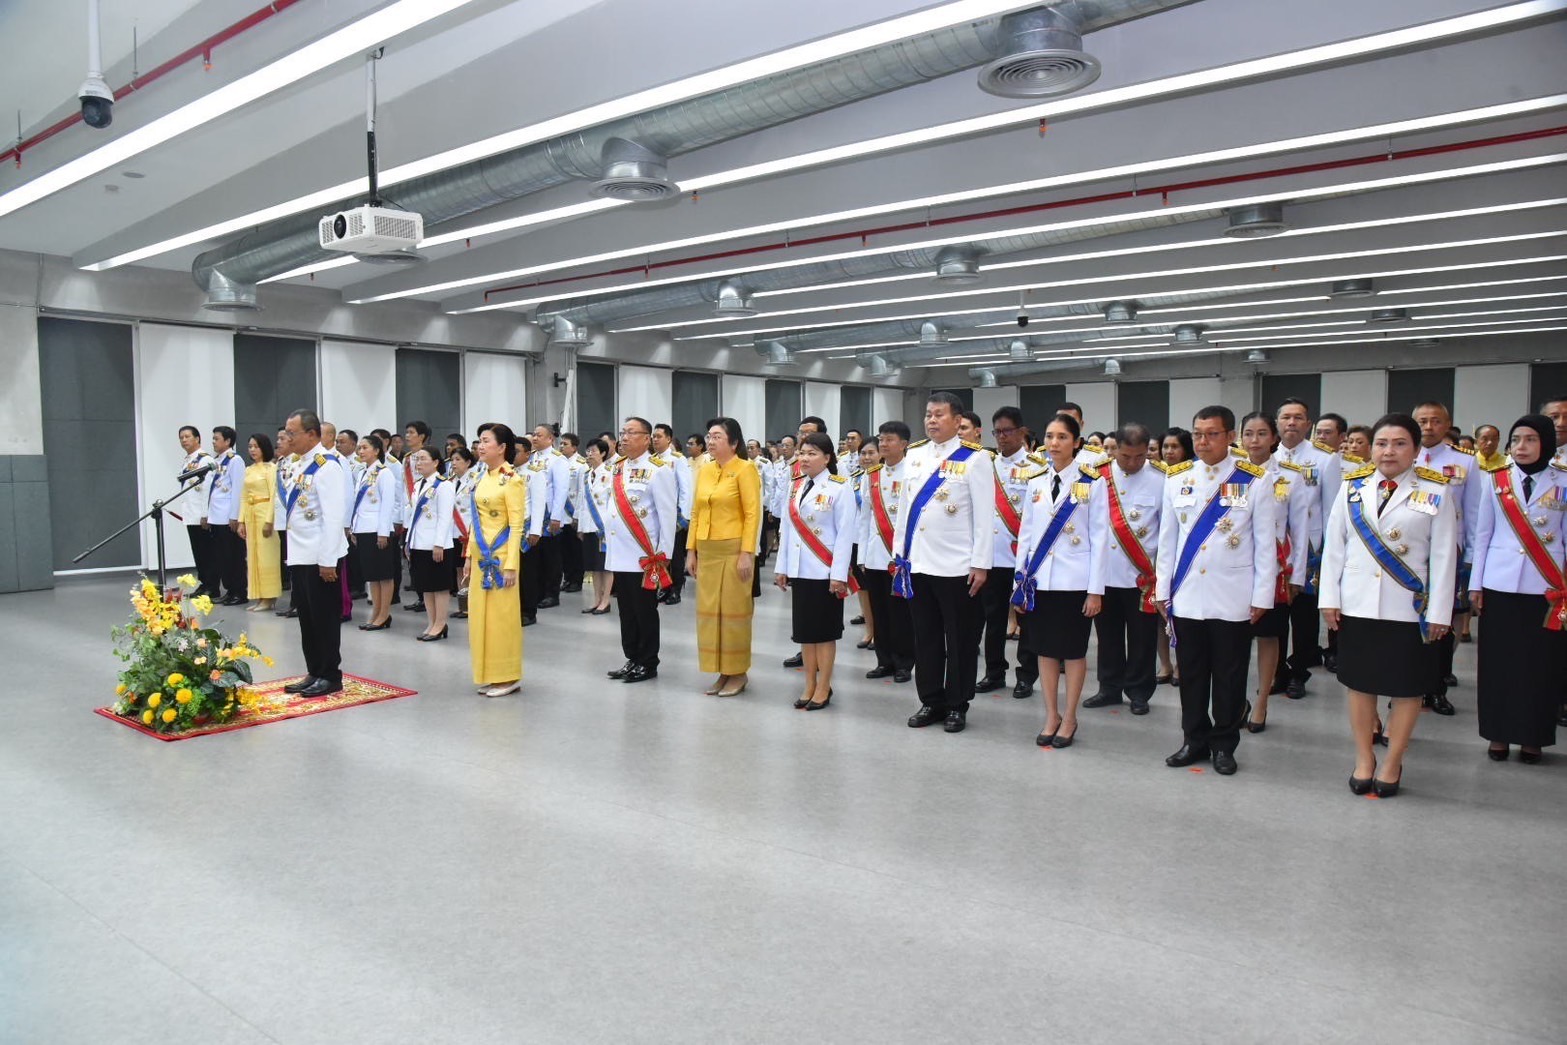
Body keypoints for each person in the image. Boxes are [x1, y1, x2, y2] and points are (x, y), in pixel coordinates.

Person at [1321, 413, 1458, 797]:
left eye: (1399, 443)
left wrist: (1439, 612)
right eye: (1382, 443)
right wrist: (1330, 599)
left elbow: (1444, 557)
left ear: (1415, 450)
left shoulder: (1436, 491)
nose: (1389, 451)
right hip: (1358, 604)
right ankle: (1364, 758)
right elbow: (1335, 547)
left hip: (1408, 608)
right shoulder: (1352, 487)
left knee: (1407, 688)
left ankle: (1393, 760)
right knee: (1360, 686)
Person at [1156, 405, 1278, 776]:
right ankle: (1193, 739)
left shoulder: (1254, 480)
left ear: (1230, 437)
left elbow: (1265, 545)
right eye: (1197, 433)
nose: (1203, 441)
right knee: (1190, 673)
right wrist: (1163, 589)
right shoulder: (1177, 479)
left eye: (1212, 434)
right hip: (1188, 594)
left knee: (1229, 674)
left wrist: (1262, 596)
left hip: (1233, 595)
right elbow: (1168, 541)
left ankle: (1224, 744)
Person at [895, 392, 996, 734]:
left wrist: (980, 564)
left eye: (939, 415)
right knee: (925, 637)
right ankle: (931, 699)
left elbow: (984, 517)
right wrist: (900, 555)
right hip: (919, 562)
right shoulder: (916, 455)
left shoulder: (976, 459)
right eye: (928, 415)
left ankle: (957, 703)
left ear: (957, 420)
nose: (932, 421)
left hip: (956, 565)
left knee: (961, 638)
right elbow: (905, 511)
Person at [1470, 415, 1567, 764]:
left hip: (1546, 587)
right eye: (1516, 440)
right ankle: (1497, 733)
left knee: (1540, 665)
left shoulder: (1564, 480)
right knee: (1497, 663)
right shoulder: (1496, 480)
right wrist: (1475, 584)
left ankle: (1533, 738)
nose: (1521, 447)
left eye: (1530, 439)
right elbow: (1482, 535)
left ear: (1546, 444)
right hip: (1499, 584)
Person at [1012, 413, 1103, 747]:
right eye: (1050, 436)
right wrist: (1018, 585)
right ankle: (1051, 715)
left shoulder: (1093, 482)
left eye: (1063, 437)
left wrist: (1095, 591)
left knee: (1073, 652)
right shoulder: (1035, 481)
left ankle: (1071, 716)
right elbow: (1025, 536)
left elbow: (1099, 536)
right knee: (1045, 651)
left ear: (1076, 442)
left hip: (1075, 582)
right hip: (1039, 581)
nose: (1054, 443)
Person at [1083, 424, 1163, 715]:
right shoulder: (1097, 475)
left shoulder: (1160, 479)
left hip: (1142, 575)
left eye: (1139, 456)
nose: (1132, 462)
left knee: (1142, 637)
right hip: (1105, 573)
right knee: (1108, 635)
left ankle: (1140, 691)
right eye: (1126, 456)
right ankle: (1109, 687)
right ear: (1114, 448)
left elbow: (1165, 531)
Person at [773, 431, 857, 710]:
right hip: (801, 570)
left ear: (827, 458)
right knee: (805, 634)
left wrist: (839, 575)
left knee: (824, 633)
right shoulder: (796, 484)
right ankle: (808, 684)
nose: (805, 458)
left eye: (812, 453)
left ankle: (824, 686)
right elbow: (787, 529)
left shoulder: (839, 486)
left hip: (825, 572)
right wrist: (782, 567)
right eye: (803, 452)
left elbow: (846, 534)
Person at [1239, 413, 1311, 732]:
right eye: (1248, 434)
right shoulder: (1231, 472)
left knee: (1269, 635)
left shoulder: (1290, 477)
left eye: (1261, 433)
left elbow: (1301, 526)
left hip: (1275, 568)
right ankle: (1235, 700)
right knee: (1235, 638)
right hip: (1236, 566)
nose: (1254, 440)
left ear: (1274, 438)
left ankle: (1263, 701)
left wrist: (1297, 577)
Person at [1412, 400, 1483, 715]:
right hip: (1408, 551)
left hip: (1448, 552)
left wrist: (1469, 556)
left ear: (1447, 425)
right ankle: (1407, 684)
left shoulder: (1464, 461)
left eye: (1435, 421)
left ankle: (1436, 688)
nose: (1428, 427)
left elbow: (1474, 512)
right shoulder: (1402, 455)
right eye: (1422, 421)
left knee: (1442, 620)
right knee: (1407, 620)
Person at [688, 417, 762, 697]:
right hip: (707, 551)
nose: (711, 441)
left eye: (717, 436)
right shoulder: (705, 470)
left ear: (734, 442)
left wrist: (746, 553)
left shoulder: (745, 470)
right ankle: (722, 671)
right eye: (709, 436)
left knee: (733, 614)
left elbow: (752, 513)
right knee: (710, 615)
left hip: (733, 550)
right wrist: (690, 551)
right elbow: (696, 512)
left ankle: (738, 672)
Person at [277, 410, 348, 699]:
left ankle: (331, 675)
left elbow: (333, 518)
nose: (287, 438)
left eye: (292, 433)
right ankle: (315, 671)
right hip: (300, 554)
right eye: (286, 432)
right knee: (307, 619)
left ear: (312, 434)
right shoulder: (298, 464)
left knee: (325, 619)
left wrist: (328, 561)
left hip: (321, 557)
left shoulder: (327, 466)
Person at [604, 417, 679, 684]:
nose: (624, 438)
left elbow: (667, 515)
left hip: (644, 556)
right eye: (622, 432)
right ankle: (632, 657)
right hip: (619, 552)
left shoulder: (659, 469)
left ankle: (648, 662)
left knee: (644, 610)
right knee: (625, 609)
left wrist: (664, 555)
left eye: (631, 433)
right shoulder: (617, 467)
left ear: (646, 438)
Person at [1272, 398, 1337, 700]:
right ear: (1277, 423)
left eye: (1298, 417)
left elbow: (1332, 510)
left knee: (1304, 618)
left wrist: (1327, 554)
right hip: (1275, 549)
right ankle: (1278, 673)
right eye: (1286, 417)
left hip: (1311, 548)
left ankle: (1299, 671)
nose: (1292, 423)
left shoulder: (1324, 458)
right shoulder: (1266, 459)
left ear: (1308, 424)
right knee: (1276, 616)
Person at [977, 406, 1040, 699]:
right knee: (993, 617)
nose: (1002, 437)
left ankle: (1026, 675)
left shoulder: (1037, 466)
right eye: (997, 432)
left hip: (1022, 558)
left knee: (1026, 619)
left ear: (1021, 432)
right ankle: (994, 671)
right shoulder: (985, 465)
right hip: (993, 554)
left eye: (1007, 431)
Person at [461, 423, 527, 697]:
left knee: (502, 619)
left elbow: (517, 525)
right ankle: (488, 673)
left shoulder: (511, 479)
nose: (480, 445)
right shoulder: (481, 477)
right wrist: (467, 557)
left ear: (502, 448)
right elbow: (475, 523)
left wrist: (512, 564)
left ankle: (508, 676)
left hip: (500, 561)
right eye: (479, 441)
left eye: (486, 441)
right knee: (480, 618)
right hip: (480, 558)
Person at [861, 421, 915, 685]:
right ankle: (884, 661)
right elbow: (865, 518)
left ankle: (904, 662)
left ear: (903, 444)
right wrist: (861, 556)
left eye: (889, 439)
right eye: (880, 439)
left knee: (900, 613)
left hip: (902, 557)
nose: (882, 444)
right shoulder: (871, 476)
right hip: (875, 554)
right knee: (879, 611)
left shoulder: (914, 473)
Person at [1154, 426, 1194, 684]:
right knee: (1158, 617)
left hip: (1184, 556)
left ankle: (1181, 664)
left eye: (1174, 446)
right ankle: (1165, 665)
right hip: (1153, 553)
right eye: (1165, 447)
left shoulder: (1192, 477)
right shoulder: (1156, 475)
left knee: (1179, 614)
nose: (1169, 451)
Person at [405, 447, 456, 642]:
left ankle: (440, 623)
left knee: (439, 586)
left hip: (437, 544)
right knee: (426, 586)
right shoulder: (418, 484)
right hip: (419, 542)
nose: (418, 463)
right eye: (417, 459)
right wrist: (409, 541)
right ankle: (431, 622)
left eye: (423, 459)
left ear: (436, 462)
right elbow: (412, 517)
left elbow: (444, 518)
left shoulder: (444, 485)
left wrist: (438, 544)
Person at [350, 434, 399, 632]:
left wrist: (383, 533)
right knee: (372, 575)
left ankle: (384, 614)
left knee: (383, 575)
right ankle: (376, 613)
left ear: (376, 450)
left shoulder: (384, 473)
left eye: (364, 448)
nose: (361, 451)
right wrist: (354, 527)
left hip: (377, 530)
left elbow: (387, 504)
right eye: (359, 448)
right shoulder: (363, 472)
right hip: (363, 529)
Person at [524, 423, 571, 616]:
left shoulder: (557, 460)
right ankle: (537, 591)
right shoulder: (531, 457)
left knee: (551, 557)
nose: (535, 438)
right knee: (536, 557)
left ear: (550, 439)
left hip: (549, 513)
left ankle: (552, 593)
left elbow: (561, 490)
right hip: (534, 514)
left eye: (539, 435)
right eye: (534, 435)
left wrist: (556, 517)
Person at [237, 433, 281, 612]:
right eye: (250, 446)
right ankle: (259, 596)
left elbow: (273, 496)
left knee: (266, 557)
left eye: (256, 446)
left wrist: (269, 521)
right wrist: (241, 521)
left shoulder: (271, 469)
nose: (253, 450)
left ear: (264, 447)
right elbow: (243, 498)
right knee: (253, 556)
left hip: (264, 513)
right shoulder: (248, 470)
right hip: (251, 515)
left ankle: (269, 597)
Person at [652, 423, 694, 605]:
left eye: (659, 436)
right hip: (656, 516)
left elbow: (686, 489)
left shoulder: (677, 459)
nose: (655, 439)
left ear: (669, 439)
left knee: (675, 555)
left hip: (673, 516)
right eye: (653, 436)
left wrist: (683, 517)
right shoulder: (651, 459)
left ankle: (676, 588)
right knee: (659, 554)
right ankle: (664, 586)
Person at [208, 426, 249, 605]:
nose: (214, 442)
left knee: (234, 557)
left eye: (217, 439)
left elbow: (238, 489)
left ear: (227, 441)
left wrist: (235, 517)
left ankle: (239, 591)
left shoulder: (235, 460)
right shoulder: (218, 460)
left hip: (227, 517)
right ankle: (229, 589)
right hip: (216, 516)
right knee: (222, 557)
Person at [177, 426, 219, 597]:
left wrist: (205, 514)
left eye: (187, 436)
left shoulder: (205, 460)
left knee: (207, 553)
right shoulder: (188, 460)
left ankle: (212, 586)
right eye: (181, 437)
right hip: (191, 513)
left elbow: (208, 489)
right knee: (199, 553)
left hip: (201, 514)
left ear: (197, 439)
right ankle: (203, 583)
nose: (184, 440)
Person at [577, 438, 614, 615]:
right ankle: (596, 600)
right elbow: (581, 502)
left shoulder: (610, 474)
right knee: (593, 566)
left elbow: (612, 503)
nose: (589, 454)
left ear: (603, 453)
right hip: (589, 526)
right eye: (588, 451)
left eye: (593, 451)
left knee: (605, 566)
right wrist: (580, 526)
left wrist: (610, 526)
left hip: (603, 527)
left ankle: (606, 601)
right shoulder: (585, 475)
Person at [449, 446, 478, 619]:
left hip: (467, 530)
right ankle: (463, 604)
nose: (454, 463)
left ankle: (473, 604)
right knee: (459, 569)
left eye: (458, 459)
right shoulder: (450, 481)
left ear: (468, 462)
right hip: (454, 531)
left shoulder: (475, 480)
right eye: (452, 460)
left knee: (470, 569)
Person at [558, 433, 587, 593]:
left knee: (576, 550)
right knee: (564, 551)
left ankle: (577, 580)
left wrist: (577, 515)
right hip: (561, 514)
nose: (561, 446)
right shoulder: (559, 463)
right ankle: (567, 578)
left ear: (574, 447)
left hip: (573, 512)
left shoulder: (581, 464)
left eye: (565, 444)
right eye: (561, 444)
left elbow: (582, 492)